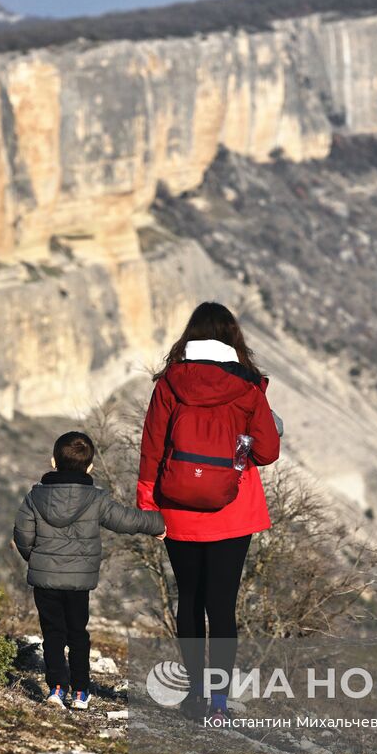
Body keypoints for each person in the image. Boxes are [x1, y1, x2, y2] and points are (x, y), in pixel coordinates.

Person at [136, 302, 281, 722]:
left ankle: (193, 696)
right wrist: (239, 446)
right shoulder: (248, 389)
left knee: (189, 601)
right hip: (233, 510)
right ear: (233, 339)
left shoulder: (169, 385)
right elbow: (268, 452)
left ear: (190, 337)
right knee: (221, 607)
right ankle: (219, 702)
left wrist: (148, 504)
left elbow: (151, 448)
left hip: (178, 510)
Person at [15, 431, 166, 709]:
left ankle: (57, 689)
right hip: (79, 583)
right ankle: (81, 692)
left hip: (45, 581)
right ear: (90, 467)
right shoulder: (95, 499)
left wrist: (37, 560)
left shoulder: (35, 497)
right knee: (77, 634)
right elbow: (124, 519)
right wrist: (158, 524)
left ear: (53, 462)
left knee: (52, 634)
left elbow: (22, 535)